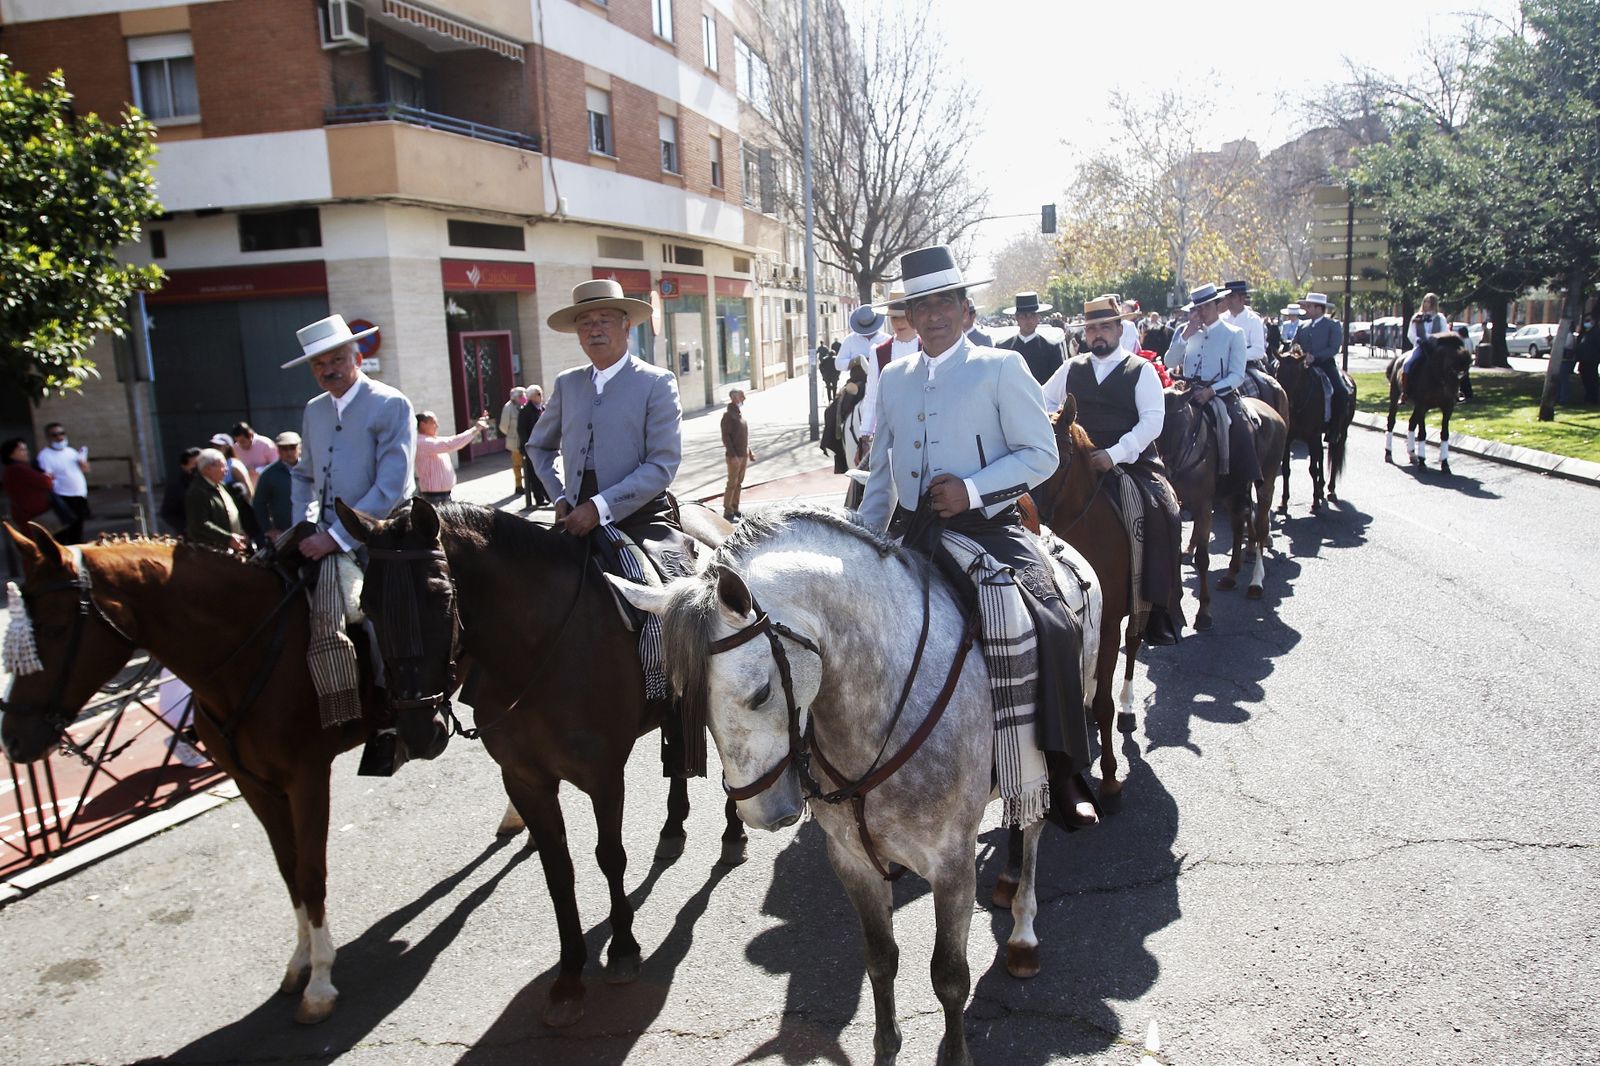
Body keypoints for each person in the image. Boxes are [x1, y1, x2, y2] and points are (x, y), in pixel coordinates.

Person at [858, 245, 1098, 831]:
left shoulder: (1000, 367)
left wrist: (972, 488)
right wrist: (865, 542)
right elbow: (881, 472)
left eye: (945, 301)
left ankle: (1064, 771)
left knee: (1054, 625)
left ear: (965, 310)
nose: (934, 313)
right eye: (922, 304)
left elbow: (1041, 455)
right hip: (912, 531)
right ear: (908, 316)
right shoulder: (892, 377)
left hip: (987, 526)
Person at [526, 279, 697, 773]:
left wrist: (599, 507)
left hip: (640, 517)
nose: (594, 328)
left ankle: (672, 700)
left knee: (665, 605)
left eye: (604, 319)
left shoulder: (655, 382)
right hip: (572, 517)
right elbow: (539, 446)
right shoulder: (568, 384)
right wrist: (559, 496)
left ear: (627, 325)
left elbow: (663, 464)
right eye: (585, 320)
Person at [284, 313, 417, 774]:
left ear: (357, 356)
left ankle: (391, 714)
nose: (329, 370)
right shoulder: (314, 411)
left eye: (337, 359)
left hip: (381, 536)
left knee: (384, 615)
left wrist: (336, 537)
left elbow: (390, 486)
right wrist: (303, 527)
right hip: (320, 535)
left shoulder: (390, 404)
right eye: (319, 364)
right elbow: (302, 477)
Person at [1041, 297, 1184, 645]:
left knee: (1163, 507)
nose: (1098, 334)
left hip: (1129, 460)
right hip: (1077, 458)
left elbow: (1153, 420)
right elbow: (1043, 402)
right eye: (1092, 328)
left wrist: (1116, 453)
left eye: (1105, 327)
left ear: (1120, 329)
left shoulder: (1140, 370)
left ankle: (1158, 608)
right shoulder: (1071, 368)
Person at [1166, 283, 1261, 482]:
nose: (1201, 312)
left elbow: (1237, 376)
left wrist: (1211, 391)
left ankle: (1241, 487)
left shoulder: (1234, 333)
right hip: (1187, 390)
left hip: (1219, 394)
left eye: (1206, 306)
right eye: (1197, 307)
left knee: (1239, 429)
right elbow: (1169, 362)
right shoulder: (1185, 330)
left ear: (1217, 305)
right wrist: (1186, 334)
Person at [185, 447, 261, 552]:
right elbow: (199, 525)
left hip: (231, 549)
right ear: (207, 469)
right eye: (222, 466)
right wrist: (227, 538)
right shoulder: (198, 492)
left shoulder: (221, 486)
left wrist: (241, 532)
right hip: (213, 553)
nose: (226, 469)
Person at [415, 410, 490, 504]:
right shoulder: (422, 442)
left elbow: (454, 441)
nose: (437, 426)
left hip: (443, 495)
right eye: (433, 422)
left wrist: (477, 428)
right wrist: (476, 428)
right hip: (433, 497)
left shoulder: (432, 440)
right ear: (423, 424)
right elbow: (452, 443)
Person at [1296, 292, 1347, 425]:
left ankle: (1336, 425)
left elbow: (1334, 348)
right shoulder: (1302, 326)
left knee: (1340, 390)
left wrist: (1315, 357)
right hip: (1303, 364)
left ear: (1319, 308)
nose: (1306, 309)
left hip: (1325, 364)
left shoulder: (1332, 325)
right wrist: (1297, 352)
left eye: (1309, 306)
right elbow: (1295, 343)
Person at [35, 422, 90, 544]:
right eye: (55, 434)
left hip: (79, 495)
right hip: (63, 497)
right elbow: (47, 477)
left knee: (77, 532)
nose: (59, 437)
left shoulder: (70, 451)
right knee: (64, 534)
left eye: (62, 433)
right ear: (48, 437)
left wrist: (83, 464)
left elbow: (85, 469)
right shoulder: (45, 455)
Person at [996, 292, 1068, 384]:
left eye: (1032, 315)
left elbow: (1058, 383)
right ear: (1017, 318)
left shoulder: (1051, 348)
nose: (1029, 320)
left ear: (1038, 317)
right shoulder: (1003, 348)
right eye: (1024, 315)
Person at [1220, 280, 1274, 399]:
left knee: (1261, 390)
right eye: (1227, 297)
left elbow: (1259, 351)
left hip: (1247, 366)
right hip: (1221, 366)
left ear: (1242, 298)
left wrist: (1235, 356)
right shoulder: (1220, 319)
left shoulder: (1253, 320)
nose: (1228, 300)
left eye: (1232, 296)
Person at [1400, 293, 1450, 400]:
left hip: (1436, 348)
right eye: (1426, 301)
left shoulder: (1440, 318)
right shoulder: (1417, 317)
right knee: (1407, 364)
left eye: (1430, 302)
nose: (1427, 304)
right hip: (1420, 347)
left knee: (1450, 364)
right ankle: (1405, 392)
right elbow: (1411, 333)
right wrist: (1418, 340)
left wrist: (1434, 338)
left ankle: (1454, 392)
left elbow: (1445, 332)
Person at [252, 432, 300, 539]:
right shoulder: (269, 474)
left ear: (299, 448)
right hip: (284, 532)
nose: (289, 452)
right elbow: (259, 503)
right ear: (278, 450)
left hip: (313, 529)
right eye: (284, 448)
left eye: (292, 447)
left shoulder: (310, 470)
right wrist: (268, 528)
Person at [2, 438, 55, 528]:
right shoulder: (18, 469)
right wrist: (48, 476)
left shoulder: (13, 469)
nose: (26, 452)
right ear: (11, 453)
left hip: (28, 515)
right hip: (33, 516)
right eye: (22, 450)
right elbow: (46, 482)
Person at [720, 389, 755, 520]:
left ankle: (735, 507)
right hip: (734, 456)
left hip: (743, 454)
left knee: (739, 483)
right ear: (734, 398)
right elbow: (726, 437)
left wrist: (749, 451)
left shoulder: (738, 414)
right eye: (742, 395)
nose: (744, 398)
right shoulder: (729, 415)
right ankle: (727, 510)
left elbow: (742, 436)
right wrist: (732, 455)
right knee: (732, 483)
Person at [516, 385, 551, 509]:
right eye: (539, 394)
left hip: (545, 446)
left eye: (541, 393)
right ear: (532, 396)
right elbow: (522, 431)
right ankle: (539, 498)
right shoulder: (525, 411)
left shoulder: (543, 408)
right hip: (532, 447)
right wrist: (528, 446)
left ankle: (549, 495)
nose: (541, 396)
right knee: (534, 474)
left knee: (547, 472)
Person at [157, 447, 202, 535]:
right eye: (195, 464)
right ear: (184, 466)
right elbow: (167, 513)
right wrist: (186, 527)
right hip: (190, 537)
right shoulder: (176, 487)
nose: (199, 467)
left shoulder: (211, 482)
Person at [498, 387, 528, 498]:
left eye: (523, 395)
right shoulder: (508, 407)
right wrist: (511, 434)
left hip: (525, 439)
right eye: (521, 396)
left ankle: (528, 485)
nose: (523, 397)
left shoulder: (524, 405)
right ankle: (519, 485)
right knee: (517, 464)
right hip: (515, 441)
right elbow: (503, 426)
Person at [208, 434, 255, 500]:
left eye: (218, 446)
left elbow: (249, 492)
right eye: (213, 446)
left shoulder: (234, 465)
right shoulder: (213, 466)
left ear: (227, 447)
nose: (215, 449)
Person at [1577, 309, 1600, 405]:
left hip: (1592, 360)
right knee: (1585, 379)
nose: (1586, 323)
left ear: (1593, 321)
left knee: (1592, 379)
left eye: (1588, 320)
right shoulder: (1584, 333)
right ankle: (1588, 397)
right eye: (1585, 321)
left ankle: (1593, 398)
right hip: (1583, 360)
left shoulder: (1596, 333)